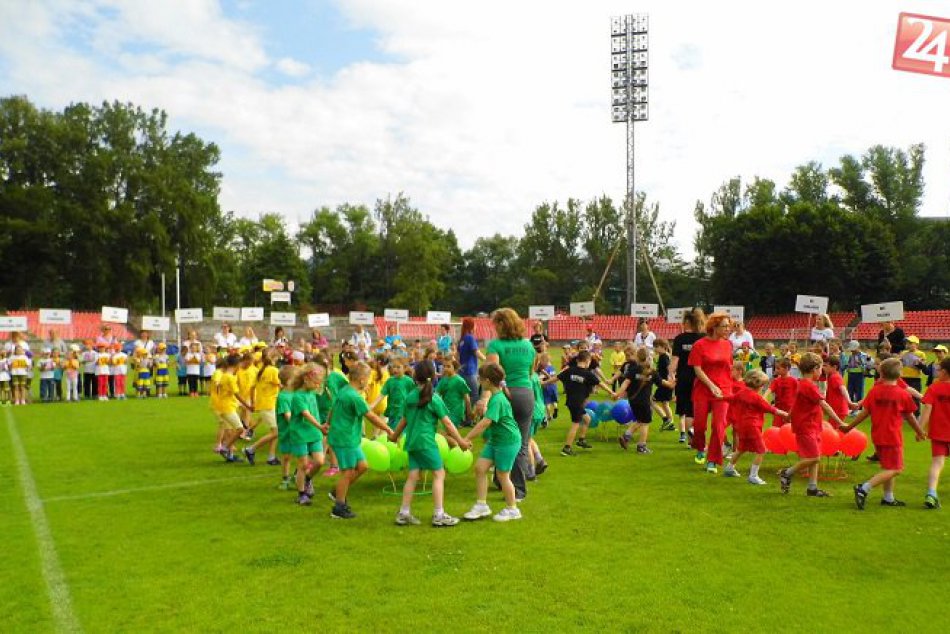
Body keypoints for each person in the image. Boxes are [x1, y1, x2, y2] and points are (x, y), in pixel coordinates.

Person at [390, 360, 470, 526]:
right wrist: (461, 441)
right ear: (433, 377)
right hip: (426, 442)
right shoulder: (434, 398)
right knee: (439, 474)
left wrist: (394, 436)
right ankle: (439, 515)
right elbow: (447, 423)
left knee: (413, 476)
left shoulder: (410, 396)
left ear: (415, 377)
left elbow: (404, 420)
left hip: (412, 442)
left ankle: (404, 513)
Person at [844, 357, 925, 509]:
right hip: (892, 436)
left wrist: (849, 427)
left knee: (888, 467)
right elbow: (910, 416)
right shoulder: (902, 394)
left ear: (881, 373)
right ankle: (864, 488)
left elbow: (864, 413)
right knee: (896, 469)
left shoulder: (874, 391)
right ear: (900, 374)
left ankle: (888, 498)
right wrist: (920, 431)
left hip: (877, 435)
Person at [479, 308, 537, 499]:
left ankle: (510, 486)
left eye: (495, 323)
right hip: (526, 394)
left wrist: (485, 399)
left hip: (505, 396)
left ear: (502, 324)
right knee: (521, 443)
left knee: (500, 439)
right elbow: (530, 372)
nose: (494, 328)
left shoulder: (496, 345)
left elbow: (491, 375)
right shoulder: (528, 346)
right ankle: (513, 487)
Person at [328, 362, 394, 520]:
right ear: (362, 379)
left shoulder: (345, 391)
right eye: (369, 379)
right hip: (344, 439)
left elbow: (333, 408)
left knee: (363, 466)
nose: (369, 383)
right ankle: (339, 508)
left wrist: (327, 422)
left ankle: (338, 492)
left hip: (349, 437)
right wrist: (388, 430)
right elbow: (371, 416)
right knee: (347, 472)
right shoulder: (354, 397)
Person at [462, 363, 524, 523]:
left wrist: (466, 438)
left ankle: (513, 509)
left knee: (503, 475)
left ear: (488, 381)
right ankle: (481, 505)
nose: (479, 381)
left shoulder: (498, 399)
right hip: (496, 440)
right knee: (480, 468)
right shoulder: (495, 397)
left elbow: (485, 423)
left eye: (480, 379)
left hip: (507, 442)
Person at [778, 353, 846, 497]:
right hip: (806, 426)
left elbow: (796, 403)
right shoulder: (808, 386)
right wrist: (840, 422)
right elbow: (824, 405)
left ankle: (812, 488)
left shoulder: (803, 383)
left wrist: (789, 416)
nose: (822, 371)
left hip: (813, 425)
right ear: (815, 368)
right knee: (815, 457)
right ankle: (787, 473)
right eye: (821, 368)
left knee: (815, 455)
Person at [689, 313, 736, 473]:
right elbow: (697, 369)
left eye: (729, 326)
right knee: (699, 425)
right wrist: (711, 385)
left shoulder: (728, 345)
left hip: (723, 390)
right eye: (725, 326)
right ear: (714, 327)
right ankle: (700, 447)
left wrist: (735, 384)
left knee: (719, 425)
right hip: (703, 389)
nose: (728, 329)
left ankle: (713, 460)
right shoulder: (699, 345)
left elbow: (729, 367)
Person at [724, 369, 789, 484]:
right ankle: (753, 476)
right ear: (758, 385)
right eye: (763, 385)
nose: (762, 388)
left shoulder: (742, 392)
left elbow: (731, 398)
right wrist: (785, 414)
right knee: (761, 450)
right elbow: (771, 409)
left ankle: (729, 468)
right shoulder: (756, 397)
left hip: (742, 426)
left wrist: (719, 396)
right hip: (752, 426)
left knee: (741, 448)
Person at [552, 349, 615, 456]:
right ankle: (566, 448)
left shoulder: (570, 370)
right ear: (587, 361)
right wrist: (612, 392)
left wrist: (544, 383)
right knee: (575, 424)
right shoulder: (587, 374)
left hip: (571, 401)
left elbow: (556, 378)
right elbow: (600, 384)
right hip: (576, 403)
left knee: (587, 419)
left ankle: (581, 440)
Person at [670, 308, 705, 444]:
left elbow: (674, 361)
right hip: (699, 377)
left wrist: (671, 375)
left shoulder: (679, 339)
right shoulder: (702, 338)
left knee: (687, 410)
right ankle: (695, 436)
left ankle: (691, 440)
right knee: (698, 409)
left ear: (686, 323)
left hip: (683, 378)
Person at [615, 346, 658, 454]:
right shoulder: (651, 371)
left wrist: (618, 393)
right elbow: (661, 382)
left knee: (639, 420)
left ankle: (626, 436)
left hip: (633, 400)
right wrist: (672, 384)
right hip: (644, 401)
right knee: (645, 423)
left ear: (637, 357)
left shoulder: (633, 370)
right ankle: (641, 446)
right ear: (649, 358)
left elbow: (626, 382)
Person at [243, 351, 282, 467]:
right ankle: (250, 449)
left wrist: (253, 402)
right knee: (276, 432)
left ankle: (271, 457)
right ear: (274, 358)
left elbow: (252, 388)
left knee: (274, 431)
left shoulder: (261, 371)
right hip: (269, 404)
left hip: (264, 404)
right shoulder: (273, 370)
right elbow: (281, 385)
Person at [921, 357, 950, 509]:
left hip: (939, 432)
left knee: (937, 464)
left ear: (944, 372)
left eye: (938, 370)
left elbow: (927, 409)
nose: (936, 372)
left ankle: (931, 493)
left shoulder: (934, 388)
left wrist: (920, 429)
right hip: (941, 432)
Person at [213, 354, 251, 463]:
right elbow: (236, 394)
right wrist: (247, 405)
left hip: (223, 406)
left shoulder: (225, 375)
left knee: (230, 431)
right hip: (227, 407)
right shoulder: (230, 377)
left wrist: (239, 404)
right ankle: (224, 448)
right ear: (237, 364)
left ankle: (230, 455)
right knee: (240, 429)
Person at [274, 365, 298, 490]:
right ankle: (285, 478)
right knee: (287, 457)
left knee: (303, 455)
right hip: (287, 432)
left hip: (298, 431)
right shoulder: (283, 397)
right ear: (289, 381)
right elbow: (288, 416)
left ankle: (298, 476)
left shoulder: (297, 394)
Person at [373, 358, 415, 431]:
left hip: (404, 413)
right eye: (394, 367)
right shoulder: (390, 381)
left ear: (404, 368)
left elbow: (414, 396)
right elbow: (381, 395)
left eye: (398, 367)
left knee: (401, 433)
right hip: (392, 412)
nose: (395, 369)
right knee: (392, 432)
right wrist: (372, 405)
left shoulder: (409, 381)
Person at [436, 358, 471, 430]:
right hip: (445, 410)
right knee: (447, 432)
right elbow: (437, 395)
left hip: (456, 411)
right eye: (444, 366)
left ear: (454, 367)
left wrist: (468, 415)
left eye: (448, 366)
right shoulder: (443, 380)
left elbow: (467, 399)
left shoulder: (460, 381)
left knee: (449, 432)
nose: (445, 368)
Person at [457, 317, 485, 407]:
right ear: (471, 326)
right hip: (470, 371)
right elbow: (476, 352)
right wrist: (486, 360)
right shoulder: (470, 338)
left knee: (464, 395)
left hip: (461, 371)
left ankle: (464, 412)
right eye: (474, 325)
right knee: (474, 395)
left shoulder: (462, 339)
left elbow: (457, 356)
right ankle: (469, 413)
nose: (476, 327)